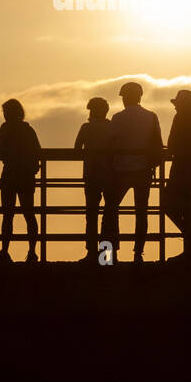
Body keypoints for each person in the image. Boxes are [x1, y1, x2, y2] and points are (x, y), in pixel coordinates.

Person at [103, 81, 164, 263]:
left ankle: (107, 256)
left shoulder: (117, 118)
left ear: (125, 98)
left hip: (120, 170)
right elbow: (158, 144)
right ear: (140, 97)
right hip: (143, 171)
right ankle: (138, 253)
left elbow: (110, 144)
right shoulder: (151, 117)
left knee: (110, 211)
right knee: (141, 212)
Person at [160, 89, 191, 262]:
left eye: (177, 104)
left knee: (167, 205)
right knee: (188, 209)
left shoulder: (181, 118)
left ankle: (189, 240)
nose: (175, 108)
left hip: (181, 169)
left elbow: (172, 144)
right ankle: (189, 251)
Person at [0, 98, 41, 263]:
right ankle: (33, 252)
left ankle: (5, 251)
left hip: (9, 174)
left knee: (8, 215)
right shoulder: (28, 129)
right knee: (29, 214)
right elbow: (37, 150)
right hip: (26, 176)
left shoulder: (5, 128)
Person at [74, 97, 113, 261]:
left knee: (91, 215)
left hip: (91, 175)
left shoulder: (86, 128)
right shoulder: (112, 127)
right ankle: (106, 256)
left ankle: (91, 253)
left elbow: (76, 149)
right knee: (110, 215)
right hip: (110, 175)